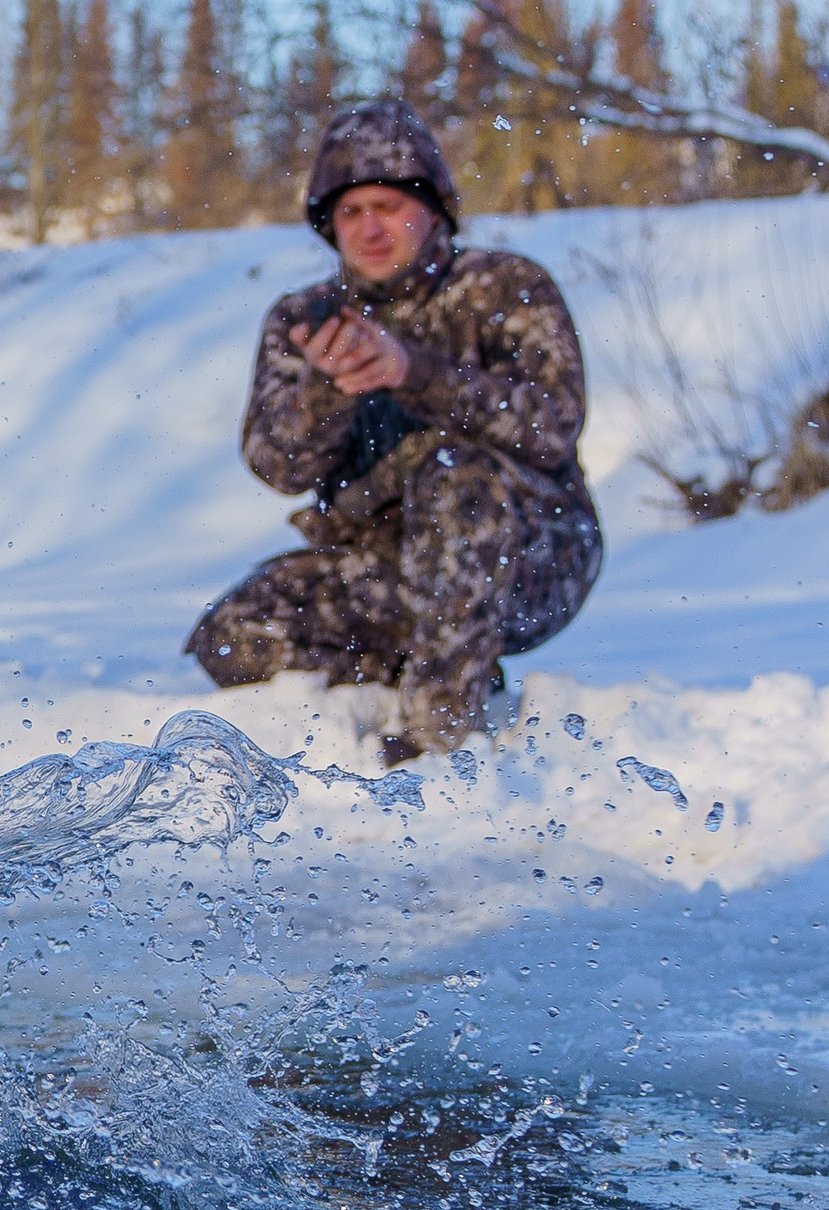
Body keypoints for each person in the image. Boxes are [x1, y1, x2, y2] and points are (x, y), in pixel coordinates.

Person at [186, 99, 602, 765]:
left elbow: (553, 424)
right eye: (350, 212)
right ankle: (415, 671)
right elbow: (277, 465)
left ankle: (438, 739)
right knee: (235, 634)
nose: (369, 229)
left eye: (387, 206)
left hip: (529, 556)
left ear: (434, 207)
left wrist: (415, 372)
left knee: (457, 478)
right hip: (388, 564)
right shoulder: (306, 318)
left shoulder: (504, 286)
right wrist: (330, 388)